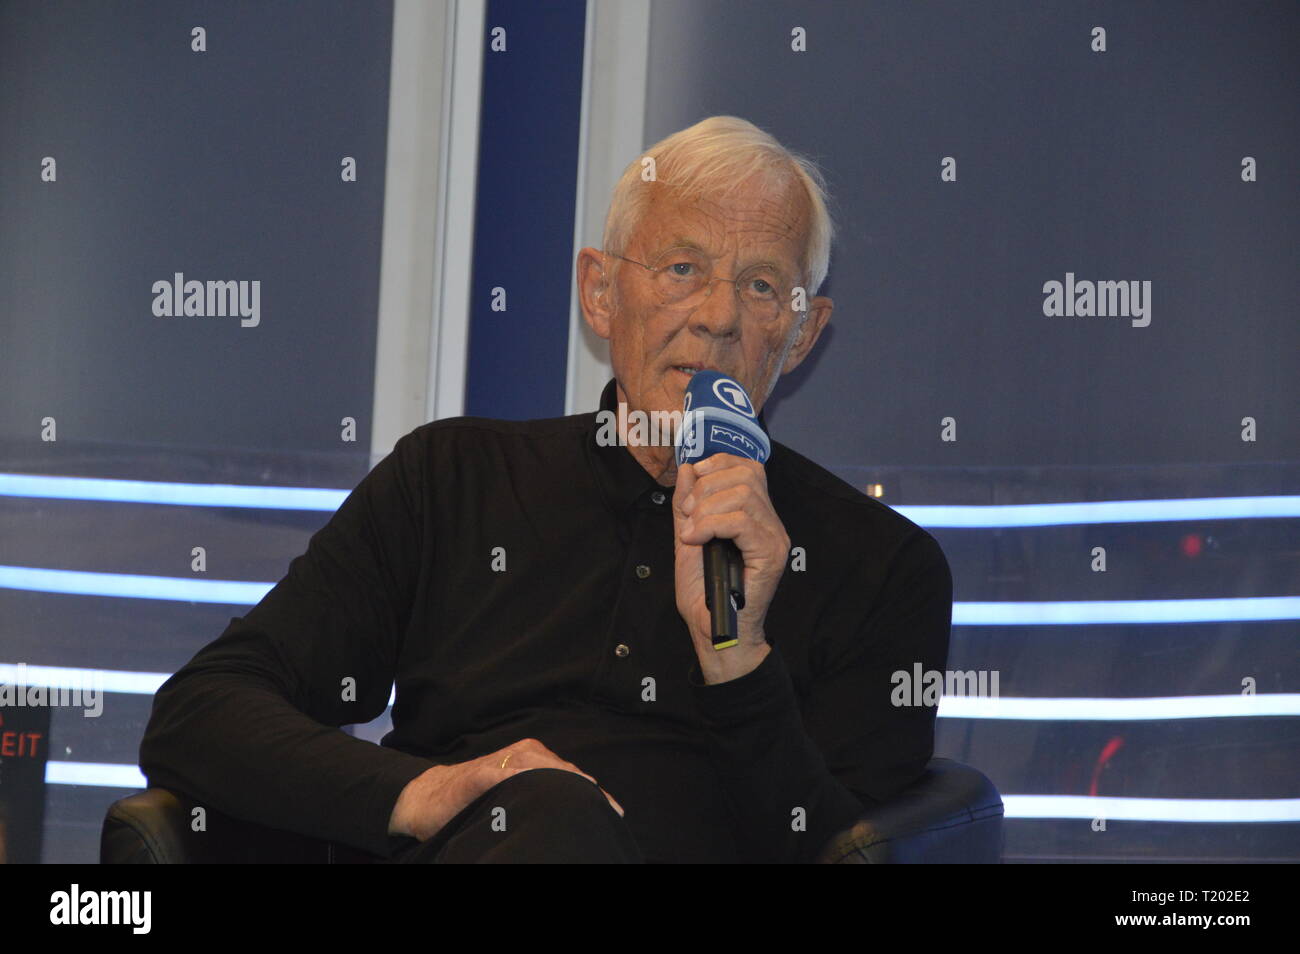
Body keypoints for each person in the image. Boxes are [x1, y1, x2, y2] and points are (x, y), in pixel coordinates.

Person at [139, 115, 952, 863]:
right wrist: (425, 792)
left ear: (803, 333)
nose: (718, 317)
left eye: (762, 287)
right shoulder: (450, 481)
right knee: (552, 815)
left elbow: (845, 849)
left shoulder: (883, 569)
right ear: (601, 292)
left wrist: (735, 654)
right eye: (682, 268)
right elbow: (200, 713)